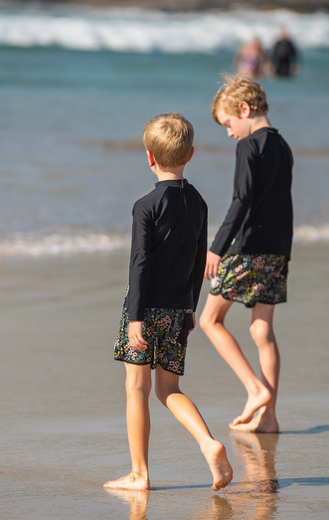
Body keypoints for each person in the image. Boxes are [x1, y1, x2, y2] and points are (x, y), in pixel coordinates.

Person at [104, 113, 233, 491]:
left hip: (146, 309)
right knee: (169, 390)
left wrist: (135, 317)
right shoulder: (198, 202)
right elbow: (197, 258)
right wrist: (192, 306)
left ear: (149, 157)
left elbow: (140, 262)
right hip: (180, 308)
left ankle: (139, 474)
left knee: (136, 389)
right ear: (190, 154)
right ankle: (209, 444)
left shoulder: (146, 205)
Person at [199, 77, 293, 434]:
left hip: (248, 248)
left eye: (227, 124)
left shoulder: (249, 145)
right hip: (278, 250)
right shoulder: (283, 146)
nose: (228, 133)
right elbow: (283, 205)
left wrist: (216, 248)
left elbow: (241, 201)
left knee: (210, 321)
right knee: (261, 329)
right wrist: (283, 251)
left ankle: (255, 389)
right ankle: (268, 418)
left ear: (244, 110)